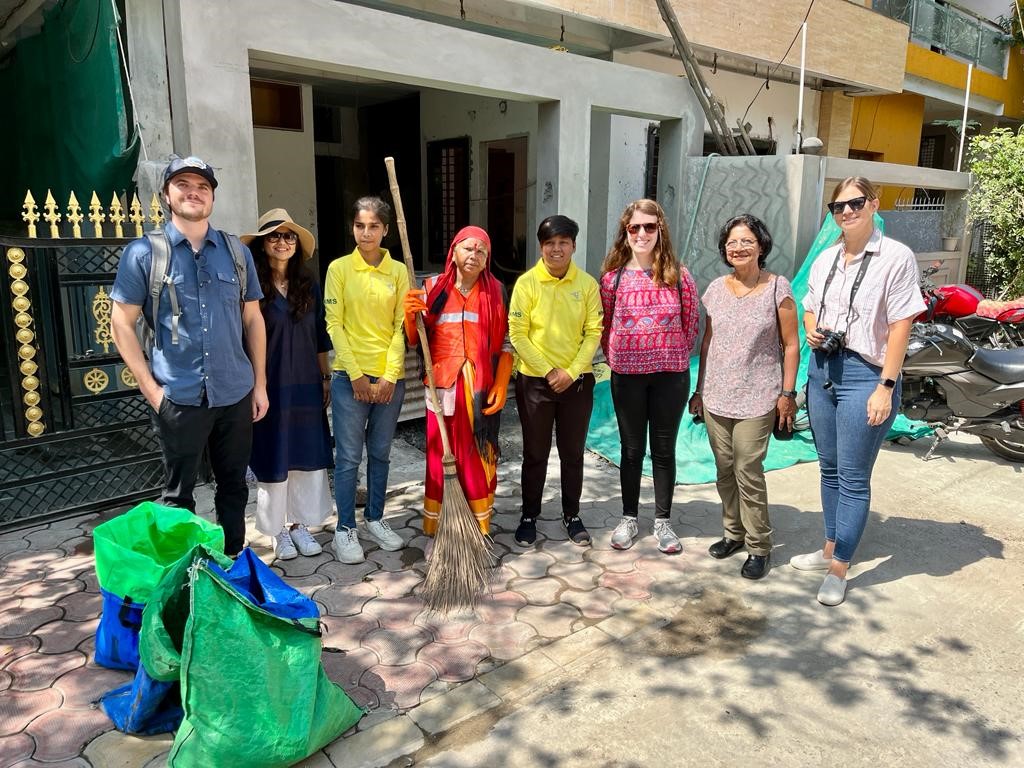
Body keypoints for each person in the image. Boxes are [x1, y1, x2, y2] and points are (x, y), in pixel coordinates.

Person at [110, 155, 268, 558]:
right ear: (166, 195)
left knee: (233, 485)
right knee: (178, 495)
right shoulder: (145, 253)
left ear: (212, 197)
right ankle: (186, 574)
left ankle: (231, 561)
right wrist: (151, 390)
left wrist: (260, 384)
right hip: (177, 396)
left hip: (234, 392)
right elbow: (121, 323)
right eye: (183, 184)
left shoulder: (236, 252)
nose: (193, 192)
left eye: (202, 186)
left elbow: (253, 319)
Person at [793, 177, 925, 605]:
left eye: (854, 203)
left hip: (867, 374)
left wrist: (886, 386)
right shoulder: (826, 258)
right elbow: (810, 306)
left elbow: (902, 323)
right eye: (838, 206)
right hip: (822, 370)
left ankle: (840, 567)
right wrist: (813, 332)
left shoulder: (895, 257)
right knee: (828, 468)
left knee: (852, 475)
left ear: (873, 204)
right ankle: (830, 546)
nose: (846, 212)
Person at [689, 214, 800, 579]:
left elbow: (791, 344)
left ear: (761, 246)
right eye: (732, 243)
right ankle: (733, 533)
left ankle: (759, 545)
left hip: (759, 397)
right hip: (718, 395)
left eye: (746, 241)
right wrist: (700, 389)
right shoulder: (716, 289)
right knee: (723, 470)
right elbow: (708, 342)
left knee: (747, 469)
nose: (738, 248)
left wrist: (787, 393)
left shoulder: (777, 288)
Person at [600, 199, 699, 555]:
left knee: (663, 450)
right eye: (634, 228)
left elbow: (692, 324)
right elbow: (605, 323)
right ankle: (628, 517)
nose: (642, 234)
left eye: (650, 227)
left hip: (670, 377)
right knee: (630, 449)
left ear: (661, 231)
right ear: (625, 233)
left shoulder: (679, 275)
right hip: (627, 376)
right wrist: (620, 357)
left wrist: (669, 356)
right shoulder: (612, 278)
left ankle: (663, 521)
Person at [402, 226, 513, 537]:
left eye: (481, 251)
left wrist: (502, 382)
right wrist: (410, 316)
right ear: (453, 252)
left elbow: (505, 342)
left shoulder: (496, 292)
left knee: (476, 457)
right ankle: (440, 529)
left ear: (487, 259)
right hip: (442, 387)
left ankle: (478, 528)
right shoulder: (432, 287)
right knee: (441, 457)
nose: (473, 255)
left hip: (480, 389)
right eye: (468, 248)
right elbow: (414, 340)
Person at [240, 209, 333, 562]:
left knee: (305, 456)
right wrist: (252, 386)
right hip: (269, 385)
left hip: (306, 383)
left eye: (289, 236)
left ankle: (301, 525)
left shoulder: (308, 285)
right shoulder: (252, 288)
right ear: (263, 244)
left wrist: (325, 376)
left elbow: (320, 335)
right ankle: (278, 529)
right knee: (275, 457)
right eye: (275, 236)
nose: (282, 242)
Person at [509, 215, 602, 547]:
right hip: (535, 383)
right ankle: (529, 515)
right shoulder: (527, 284)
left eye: (563, 242)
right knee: (535, 453)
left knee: (572, 453)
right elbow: (518, 335)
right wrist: (550, 371)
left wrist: (571, 371)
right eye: (550, 243)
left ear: (574, 246)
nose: (557, 249)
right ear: (541, 247)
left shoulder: (588, 285)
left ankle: (571, 514)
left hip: (576, 384)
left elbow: (593, 333)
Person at [325, 196, 409, 564]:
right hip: (349, 377)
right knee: (347, 458)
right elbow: (334, 325)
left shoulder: (398, 272)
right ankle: (345, 528)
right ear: (352, 228)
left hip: (391, 378)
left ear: (386, 229)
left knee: (380, 454)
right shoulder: (339, 269)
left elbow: (400, 326)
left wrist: (389, 375)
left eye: (374, 226)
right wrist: (356, 374)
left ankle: (375, 517)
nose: (366, 232)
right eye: (360, 225)